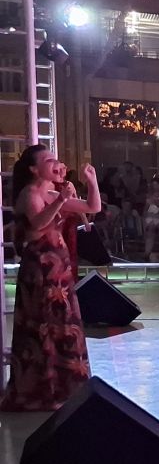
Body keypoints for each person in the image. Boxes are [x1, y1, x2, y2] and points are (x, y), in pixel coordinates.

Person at [1, 146, 99, 412]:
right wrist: (60, 201)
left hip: (59, 271)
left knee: (63, 325)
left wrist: (91, 182)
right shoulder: (29, 194)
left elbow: (93, 207)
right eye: (49, 160)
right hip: (40, 270)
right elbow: (38, 225)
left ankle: (65, 388)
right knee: (42, 326)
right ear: (34, 169)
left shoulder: (53, 193)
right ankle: (44, 391)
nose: (57, 163)